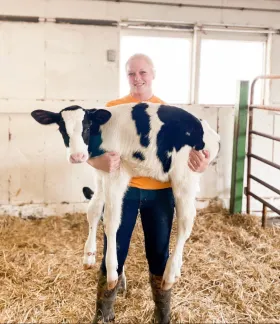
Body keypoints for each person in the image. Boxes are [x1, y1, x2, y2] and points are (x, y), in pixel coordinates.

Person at [87, 53, 210, 323]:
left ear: (153, 74)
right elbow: (90, 154)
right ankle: (104, 310)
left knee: (158, 252)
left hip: (160, 193)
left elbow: (192, 159)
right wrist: (99, 160)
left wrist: (200, 165)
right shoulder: (110, 110)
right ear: (126, 76)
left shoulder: (168, 114)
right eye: (131, 73)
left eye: (142, 72)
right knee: (114, 248)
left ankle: (162, 311)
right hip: (124, 192)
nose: (137, 78)